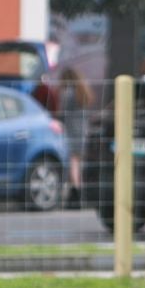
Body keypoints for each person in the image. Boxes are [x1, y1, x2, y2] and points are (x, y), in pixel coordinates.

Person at [57, 63, 95, 198]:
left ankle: (76, 191)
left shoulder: (68, 94)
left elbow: (62, 114)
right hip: (83, 131)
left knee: (73, 162)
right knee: (79, 162)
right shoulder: (83, 93)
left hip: (71, 131)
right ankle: (80, 189)